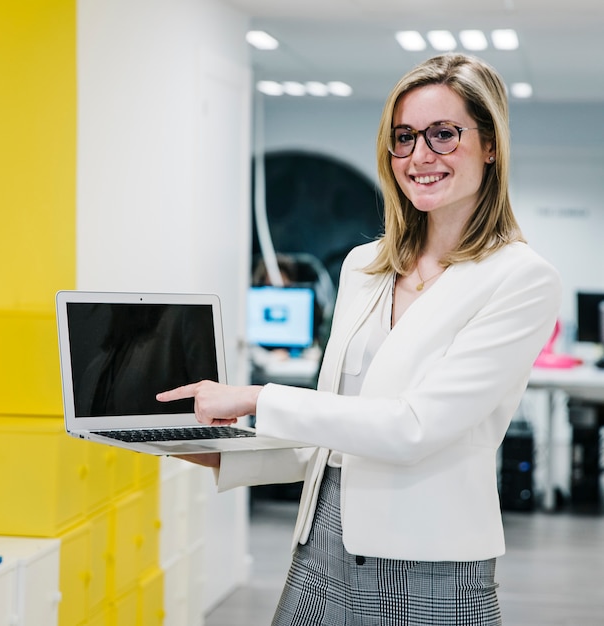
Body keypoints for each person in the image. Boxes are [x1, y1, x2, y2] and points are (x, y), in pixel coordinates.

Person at [157, 53, 562, 625]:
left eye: (444, 134)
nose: (420, 156)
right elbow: (331, 434)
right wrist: (208, 450)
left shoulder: (520, 278)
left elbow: (412, 428)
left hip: (426, 567)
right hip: (319, 550)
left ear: (490, 144)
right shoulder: (363, 265)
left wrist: (256, 397)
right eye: (404, 137)